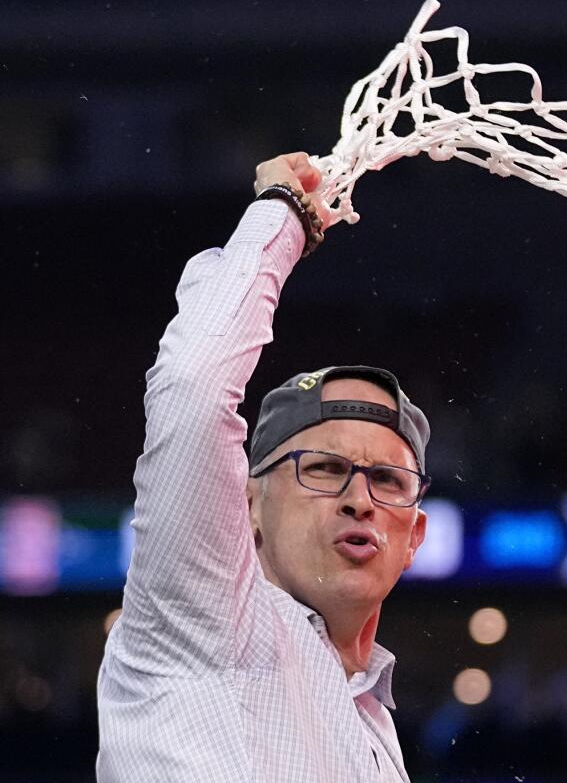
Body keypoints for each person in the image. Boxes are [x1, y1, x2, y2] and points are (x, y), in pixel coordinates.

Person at [97, 152, 430, 782]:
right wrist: (283, 215)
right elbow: (192, 387)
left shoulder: (375, 726)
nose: (361, 498)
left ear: (414, 536)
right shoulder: (204, 615)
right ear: (245, 505)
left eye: (388, 480)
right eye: (324, 468)